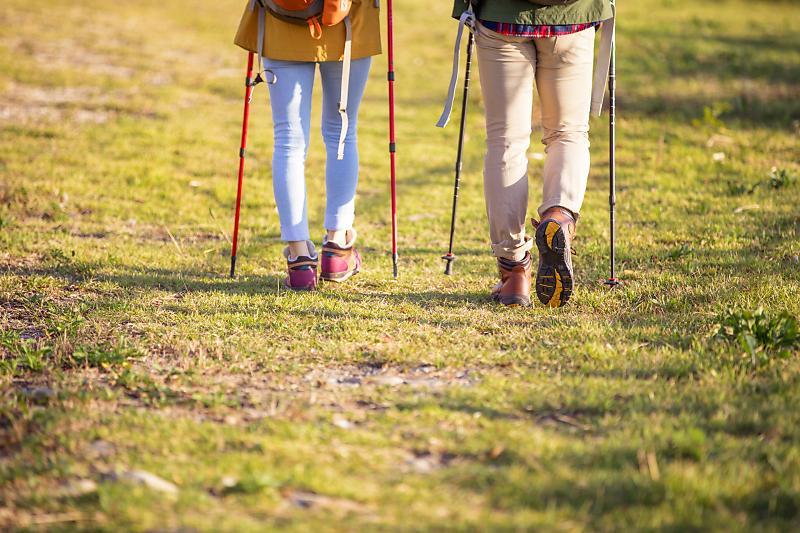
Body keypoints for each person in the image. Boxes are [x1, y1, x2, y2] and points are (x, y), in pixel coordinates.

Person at [450, 0, 613, 307]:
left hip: (500, 15)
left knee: (506, 141)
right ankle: (559, 217)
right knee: (568, 133)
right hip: (572, 16)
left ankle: (514, 273)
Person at [233, 1, 381, 290]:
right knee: (342, 131)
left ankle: (299, 259)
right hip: (350, 23)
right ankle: (337, 248)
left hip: (280, 23)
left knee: (288, 141)